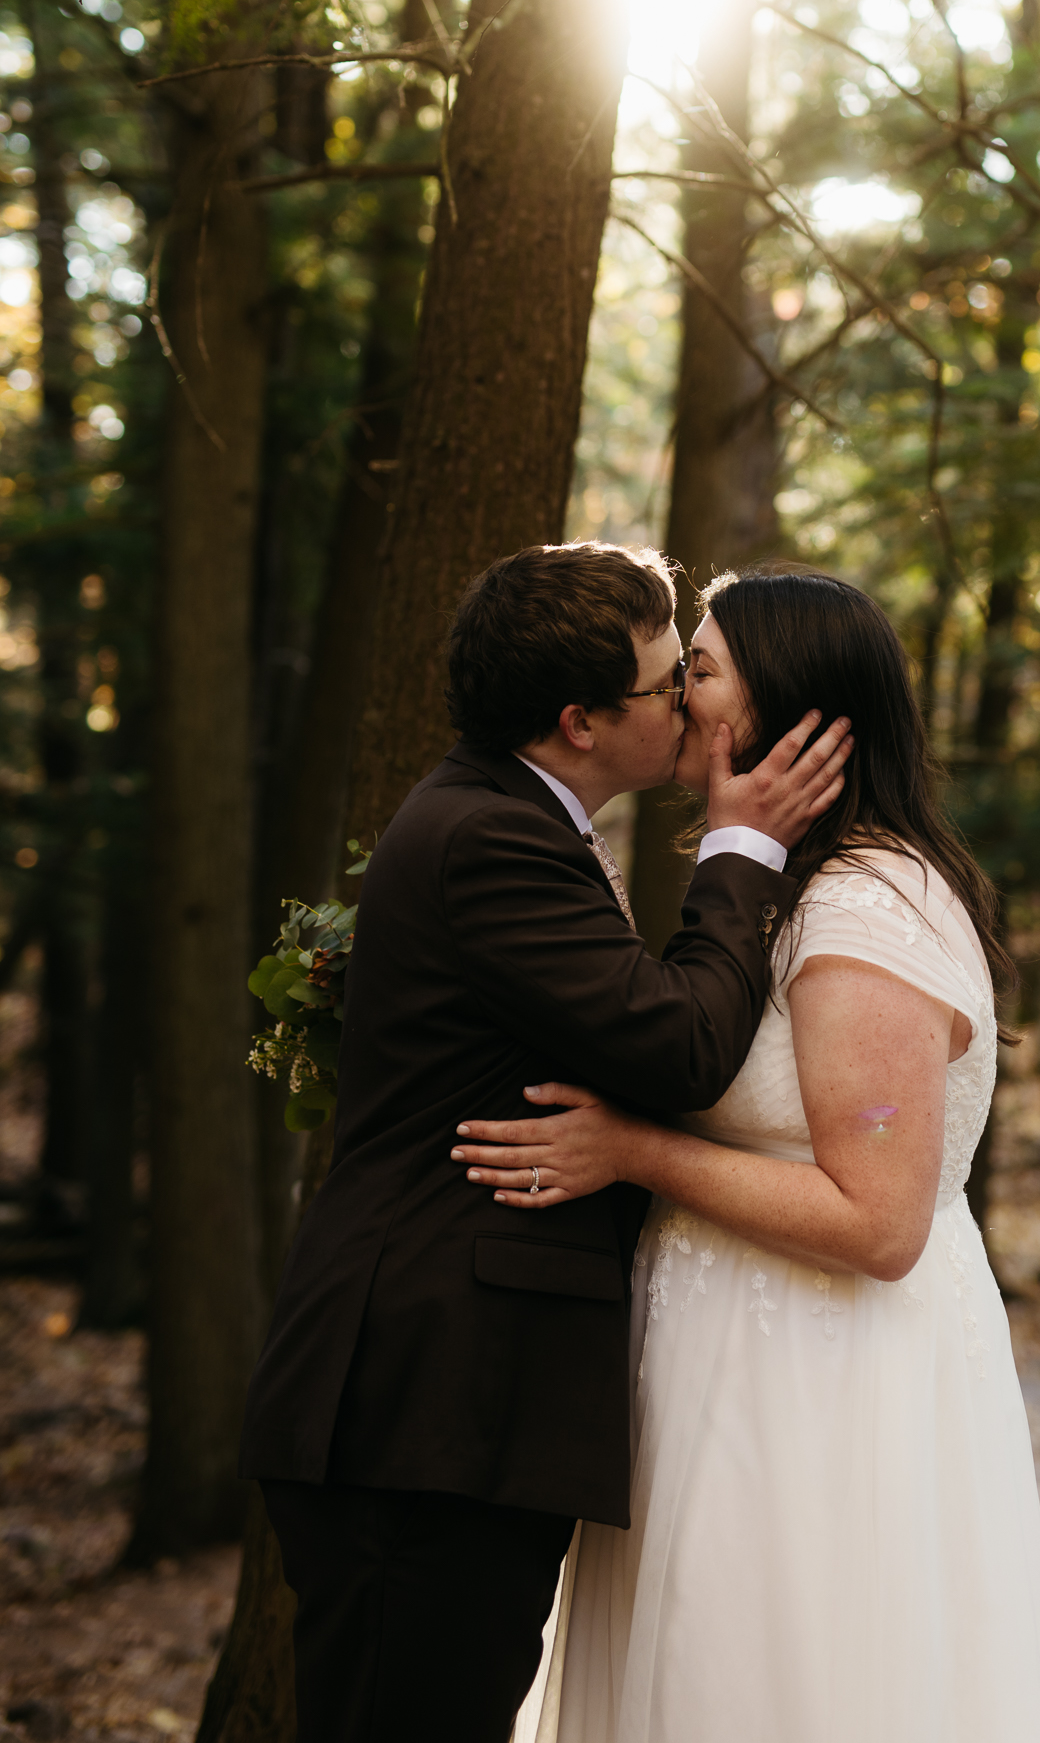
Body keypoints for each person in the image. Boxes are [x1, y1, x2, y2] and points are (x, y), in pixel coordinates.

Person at [238, 541, 853, 1743]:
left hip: (447, 1405)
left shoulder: (512, 817)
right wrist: (741, 848)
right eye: (670, 680)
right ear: (580, 719)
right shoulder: (492, 836)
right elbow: (677, 1046)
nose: (688, 701)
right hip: (421, 1404)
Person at [454, 569, 1040, 1743]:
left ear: (787, 708)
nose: (676, 693)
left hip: (820, 1379)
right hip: (725, 1359)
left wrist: (634, 1151)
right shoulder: (785, 892)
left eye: (701, 667)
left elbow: (880, 1222)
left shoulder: (864, 913)